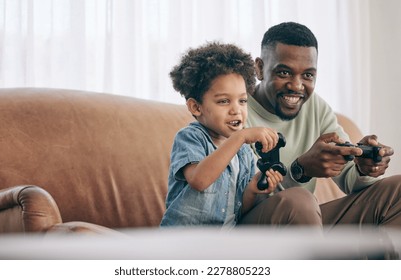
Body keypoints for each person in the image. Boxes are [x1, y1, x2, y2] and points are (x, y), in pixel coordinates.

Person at [241, 21, 401, 228]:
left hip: (305, 222)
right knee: (300, 200)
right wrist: (301, 170)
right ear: (260, 68)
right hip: (253, 225)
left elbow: (350, 180)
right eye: (284, 73)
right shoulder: (235, 109)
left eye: (307, 75)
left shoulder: (315, 106)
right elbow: (243, 196)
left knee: (398, 190)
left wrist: (363, 168)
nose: (296, 86)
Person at [160, 42, 284, 227]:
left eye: (242, 100)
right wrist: (239, 137)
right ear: (196, 107)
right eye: (224, 101)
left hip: (223, 242)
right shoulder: (191, 138)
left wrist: (253, 189)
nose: (236, 110)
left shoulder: (244, 154)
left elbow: (239, 208)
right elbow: (199, 180)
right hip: (185, 242)